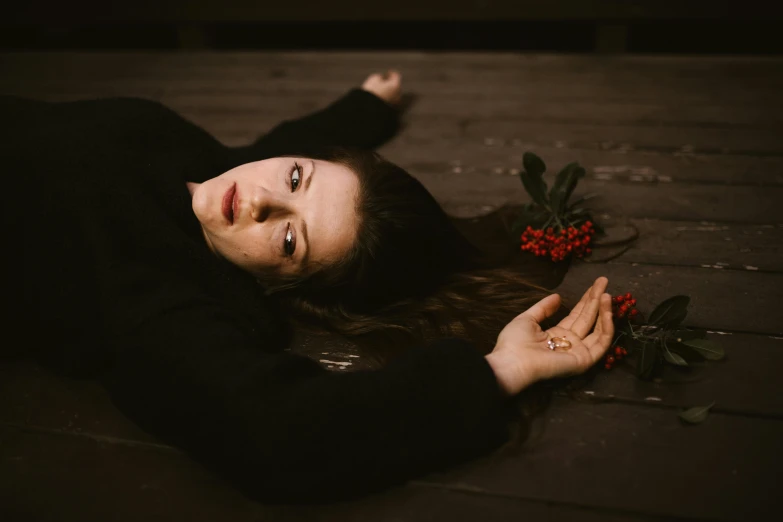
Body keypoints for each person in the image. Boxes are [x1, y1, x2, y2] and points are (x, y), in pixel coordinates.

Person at [3, 70, 614, 504]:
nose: (262, 201)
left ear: (286, 286)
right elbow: (264, 154)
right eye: (298, 175)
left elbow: (280, 435)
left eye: (291, 243)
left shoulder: (150, 293)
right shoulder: (212, 170)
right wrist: (365, 107)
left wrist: (498, 371)